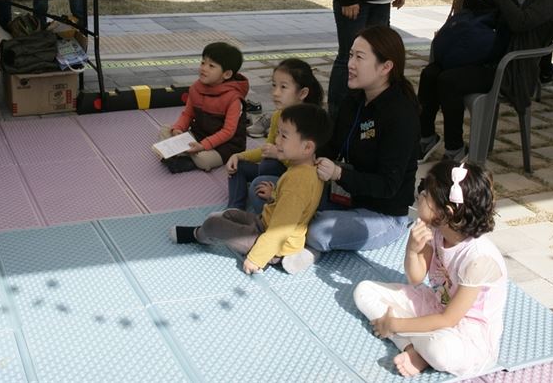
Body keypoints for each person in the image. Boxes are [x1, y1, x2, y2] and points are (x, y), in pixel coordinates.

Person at [418, 0, 553, 161]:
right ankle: (425, 137)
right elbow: (473, 8)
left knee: (449, 81)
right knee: (430, 73)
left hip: (511, 68)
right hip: (486, 55)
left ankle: (455, 149)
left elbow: (520, 22)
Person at [353, 160, 505, 378]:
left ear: (446, 212)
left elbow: (448, 320)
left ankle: (417, 346)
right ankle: (412, 349)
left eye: (427, 193)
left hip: (466, 333)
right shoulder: (435, 229)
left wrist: (395, 325)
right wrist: (412, 250)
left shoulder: (478, 259)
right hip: (435, 305)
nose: (420, 194)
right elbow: (415, 278)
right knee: (364, 291)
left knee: (439, 350)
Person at [306, 26, 421, 269]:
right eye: (350, 55)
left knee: (318, 229)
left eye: (359, 57)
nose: (350, 64)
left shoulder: (400, 114)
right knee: (269, 187)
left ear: (385, 67)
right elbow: (332, 146)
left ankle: (306, 238)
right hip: (346, 198)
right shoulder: (354, 100)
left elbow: (388, 186)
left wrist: (339, 174)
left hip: (383, 215)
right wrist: (300, 153)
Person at [170, 103, 329, 276]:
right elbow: (298, 206)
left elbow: (281, 229)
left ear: (307, 147)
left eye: (284, 136)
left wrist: (256, 259)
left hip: (275, 245)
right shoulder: (306, 169)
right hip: (265, 224)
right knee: (230, 214)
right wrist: (273, 195)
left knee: (213, 224)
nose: (277, 140)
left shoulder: (298, 181)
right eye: (278, 133)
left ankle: (198, 234)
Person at [225, 59, 323, 213]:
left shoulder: (310, 121)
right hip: (278, 170)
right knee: (238, 167)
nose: (275, 93)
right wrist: (239, 156)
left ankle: (271, 211)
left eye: (283, 87)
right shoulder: (278, 115)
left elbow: (308, 168)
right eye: (274, 85)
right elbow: (267, 149)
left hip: (296, 180)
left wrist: (278, 155)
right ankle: (234, 210)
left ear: (302, 93)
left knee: (261, 179)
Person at [159, 42, 249, 173]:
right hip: (199, 135)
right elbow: (188, 114)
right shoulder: (196, 88)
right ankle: (182, 155)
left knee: (204, 160)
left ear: (227, 74)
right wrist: (179, 128)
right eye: (202, 63)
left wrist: (203, 146)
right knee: (166, 129)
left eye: (211, 66)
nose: (204, 68)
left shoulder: (234, 98)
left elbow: (228, 132)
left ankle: (181, 157)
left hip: (225, 145)